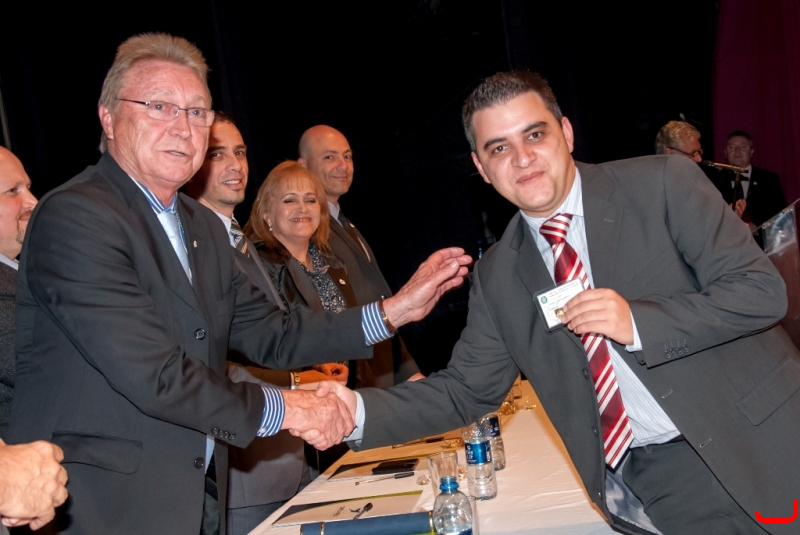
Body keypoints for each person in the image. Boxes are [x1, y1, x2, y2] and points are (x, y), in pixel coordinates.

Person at [5, 33, 469, 535]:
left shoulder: (201, 226)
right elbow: (154, 373)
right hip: (99, 506)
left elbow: (275, 332)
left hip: (199, 495)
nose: (182, 127)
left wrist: (393, 311)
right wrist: (288, 407)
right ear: (109, 117)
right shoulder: (77, 216)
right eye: (159, 106)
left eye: (196, 112)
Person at [330, 71, 799, 535]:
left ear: (567, 133)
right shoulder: (499, 275)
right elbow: (465, 391)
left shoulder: (662, 184)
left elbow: (760, 291)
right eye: (499, 148)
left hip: (768, 439)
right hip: (665, 481)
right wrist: (353, 412)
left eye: (535, 134)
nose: (523, 158)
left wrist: (639, 323)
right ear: (481, 167)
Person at [185, 115, 341, 535]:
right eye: (218, 154)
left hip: (290, 457)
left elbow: (271, 336)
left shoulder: (235, 239)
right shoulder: (194, 247)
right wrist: (297, 381)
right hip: (247, 470)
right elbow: (210, 362)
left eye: (240, 152)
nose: (235, 164)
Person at [298, 125, 423, 387]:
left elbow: (377, 299)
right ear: (303, 166)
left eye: (347, 156)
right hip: (352, 380)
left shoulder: (346, 224)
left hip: (384, 375)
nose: (342, 165)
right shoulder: (304, 230)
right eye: (329, 157)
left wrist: (408, 372)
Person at [0, 147, 66, 533]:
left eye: (28, 187)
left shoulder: (24, 272)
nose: (33, 202)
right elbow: (56, 371)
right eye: (13, 191)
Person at [710, 130, 787, 228]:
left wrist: (757, 227)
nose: (737, 151)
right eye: (732, 147)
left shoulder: (769, 180)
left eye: (743, 147)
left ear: (751, 152)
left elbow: (781, 216)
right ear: (725, 153)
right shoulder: (714, 180)